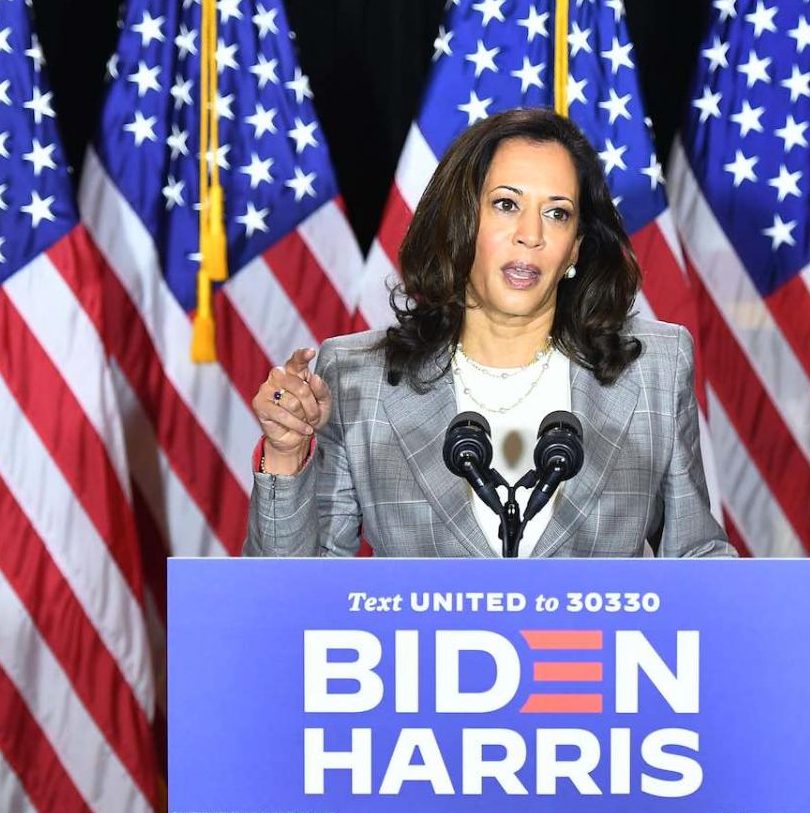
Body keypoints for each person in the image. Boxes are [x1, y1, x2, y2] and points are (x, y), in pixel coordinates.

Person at [244, 108, 735, 559]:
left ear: (575, 249)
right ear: (461, 221)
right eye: (506, 204)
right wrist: (286, 455)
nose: (532, 234)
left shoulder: (653, 369)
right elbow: (293, 599)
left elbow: (696, 560)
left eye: (557, 212)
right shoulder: (359, 378)